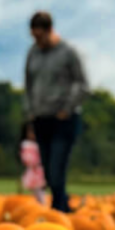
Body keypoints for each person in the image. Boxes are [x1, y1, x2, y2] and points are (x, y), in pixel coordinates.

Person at [24, 11, 89, 212]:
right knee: (49, 174)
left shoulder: (68, 52)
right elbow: (28, 85)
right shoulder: (33, 53)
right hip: (41, 118)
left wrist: (67, 108)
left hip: (63, 119)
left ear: (49, 30)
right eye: (34, 37)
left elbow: (83, 84)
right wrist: (30, 113)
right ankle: (63, 207)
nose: (37, 41)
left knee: (56, 168)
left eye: (40, 36)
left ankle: (59, 211)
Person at [18, 122, 46, 204]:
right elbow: (27, 158)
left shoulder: (40, 144)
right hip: (34, 170)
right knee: (36, 188)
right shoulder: (27, 145)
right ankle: (39, 203)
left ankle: (40, 203)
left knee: (40, 188)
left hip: (40, 170)